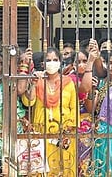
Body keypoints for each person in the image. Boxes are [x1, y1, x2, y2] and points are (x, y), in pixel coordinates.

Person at [22, 47, 78, 176]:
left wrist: (69, 130)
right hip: (42, 130)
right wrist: (34, 83)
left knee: (64, 167)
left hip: (64, 132)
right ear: (43, 64)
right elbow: (28, 102)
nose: (51, 63)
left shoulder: (68, 82)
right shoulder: (38, 80)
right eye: (48, 60)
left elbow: (74, 108)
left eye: (55, 60)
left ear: (60, 62)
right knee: (43, 168)